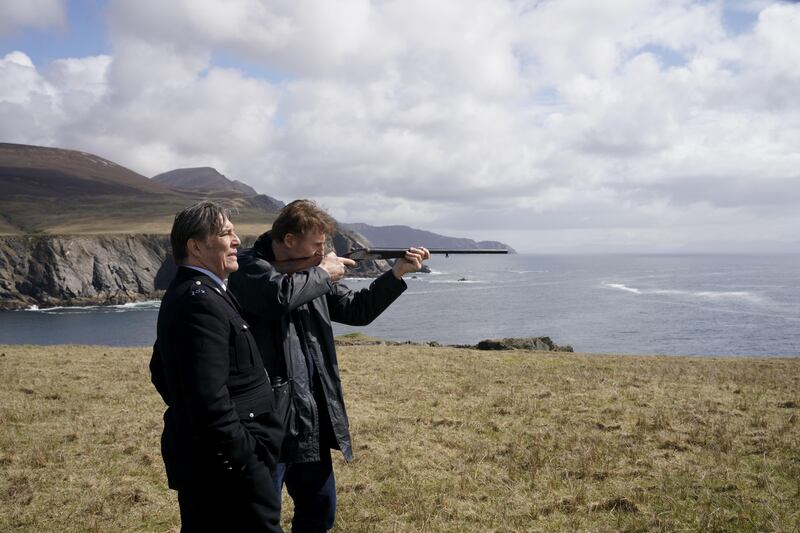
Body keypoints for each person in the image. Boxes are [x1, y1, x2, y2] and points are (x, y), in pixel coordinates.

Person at [228, 199, 429, 532]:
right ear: (290, 240)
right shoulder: (249, 267)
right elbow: (276, 298)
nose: (323, 252)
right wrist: (321, 272)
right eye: (317, 244)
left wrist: (397, 273)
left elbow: (356, 310)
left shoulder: (311, 272)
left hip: (310, 415)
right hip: (266, 420)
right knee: (260, 518)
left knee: (321, 510)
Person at [150, 201, 284, 532]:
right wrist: (245, 455)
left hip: (214, 463)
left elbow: (161, 369)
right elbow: (207, 398)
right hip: (227, 469)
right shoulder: (200, 301)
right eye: (225, 233)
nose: (237, 240)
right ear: (195, 246)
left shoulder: (201, 292)